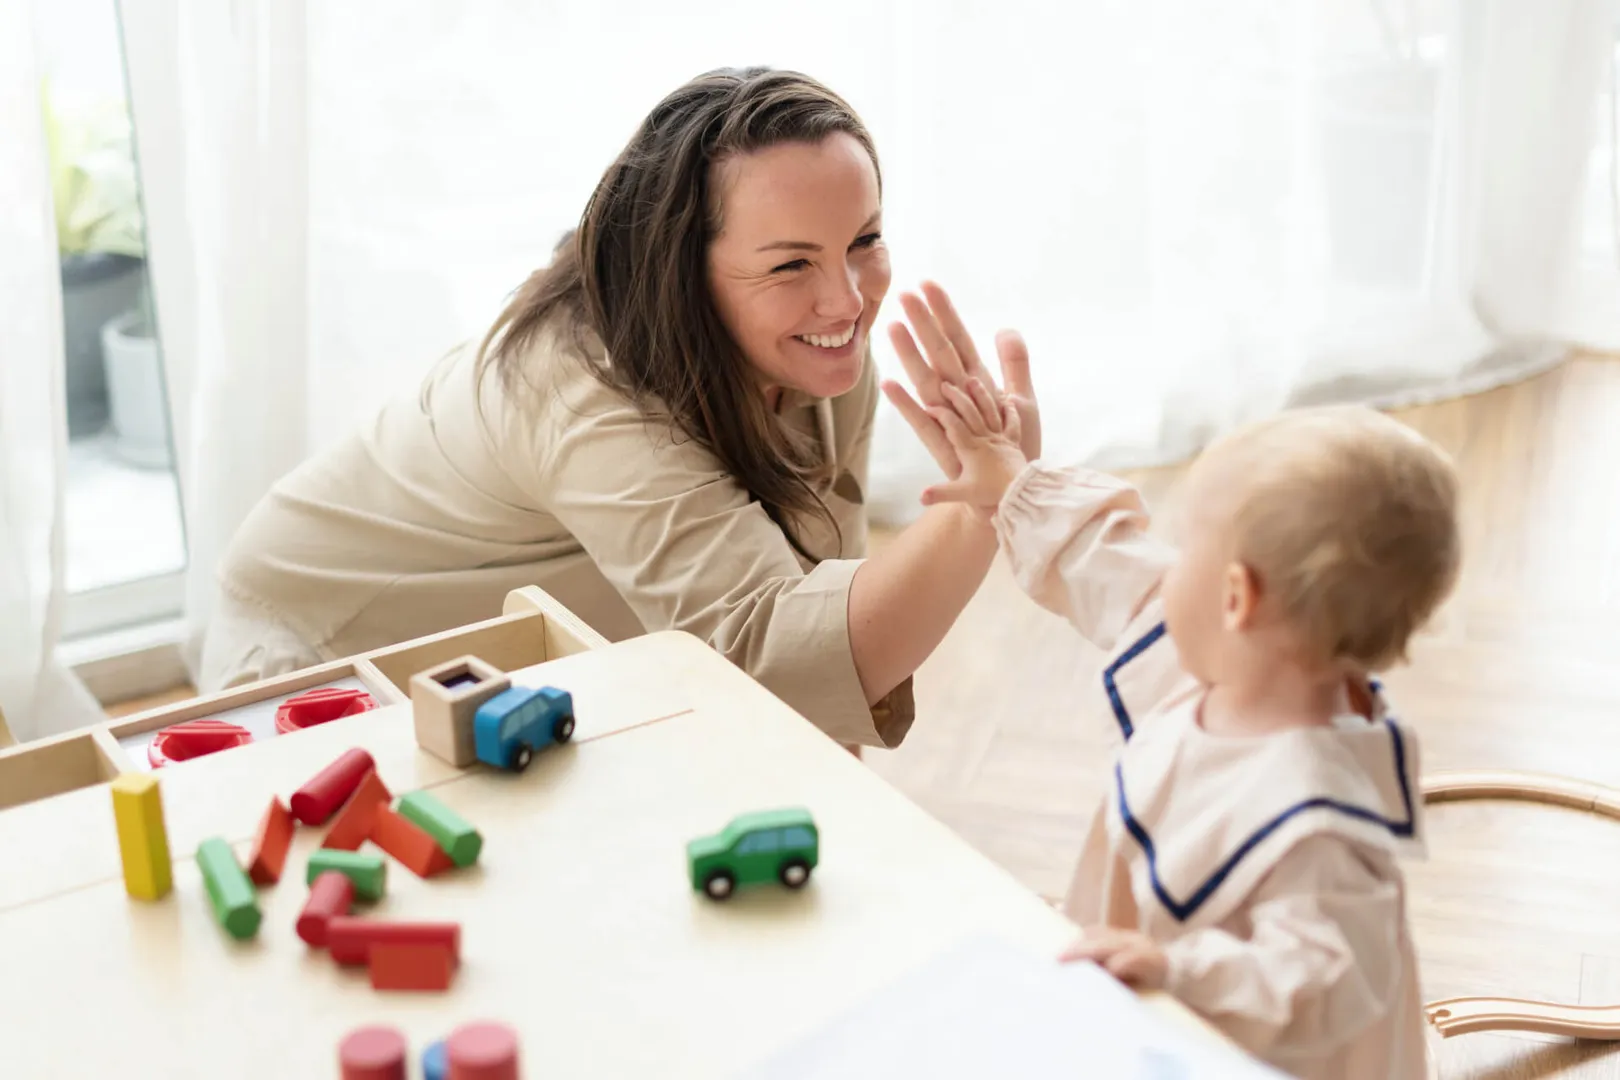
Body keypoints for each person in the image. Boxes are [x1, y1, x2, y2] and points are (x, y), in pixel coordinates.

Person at [196, 66, 1039, 753]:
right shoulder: (577, 390)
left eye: (864, 240)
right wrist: (980, 509)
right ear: (682, 269)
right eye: (790, 265)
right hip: (320, 650)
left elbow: (817, 610)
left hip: (527, 658)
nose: (848, 300)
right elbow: (774, 659)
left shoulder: (821, 355)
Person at [885, 377, 1459, 1080]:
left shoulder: (1319, 823)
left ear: (1235, 597)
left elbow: (1319, 979)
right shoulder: (1231, 657)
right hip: (1136, 989)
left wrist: (1180, 973)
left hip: (1233, 1048)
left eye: (1186, 547)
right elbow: (1109, 558)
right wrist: (1012, 483)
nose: (1165, 565)